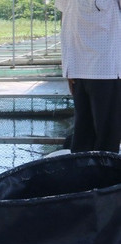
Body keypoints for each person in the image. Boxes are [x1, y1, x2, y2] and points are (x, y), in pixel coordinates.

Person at [56, 0, 121, 153]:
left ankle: (89, 170)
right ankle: (98, 171)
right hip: (97, 69)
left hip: (100, 67)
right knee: (99, 132)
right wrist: (68, 69)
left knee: (90, 130)